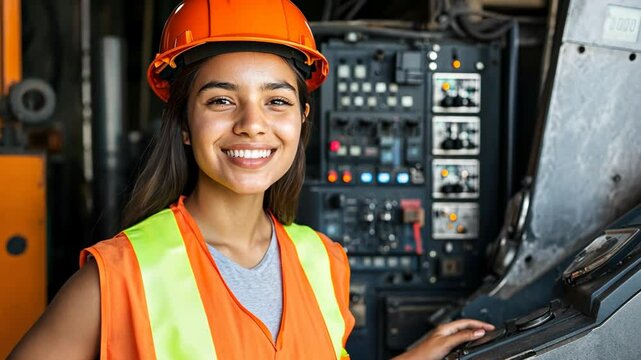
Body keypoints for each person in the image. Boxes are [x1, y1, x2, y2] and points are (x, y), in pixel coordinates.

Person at [8, 0, 493, 359]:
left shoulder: (323, 260)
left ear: (302, 119)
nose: (252, 123)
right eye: (221, 100)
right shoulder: (118, 276)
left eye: (276, 101)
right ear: (182, 124)